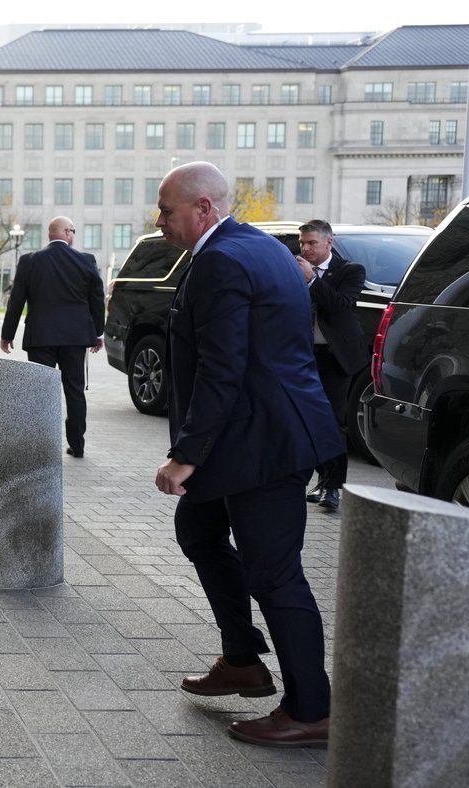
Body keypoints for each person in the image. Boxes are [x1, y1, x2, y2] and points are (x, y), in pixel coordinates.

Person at [152, 162, 343, 748]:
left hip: (264, 443)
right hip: (251, 437)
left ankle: (313, 708)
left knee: (275, 574)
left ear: (203, 208)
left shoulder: (221, 260)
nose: (159, 223)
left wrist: (184, 455)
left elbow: (222, 367)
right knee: (200, 531)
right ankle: (241, 659)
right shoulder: (261, 248)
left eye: (167, 211)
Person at [0, 216, 105, 458]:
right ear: (67, 232)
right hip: (75, 338)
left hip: (41, 336)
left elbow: (16, 301)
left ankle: (41, 445)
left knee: (40, 391)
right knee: (75, 391)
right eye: (73, 231)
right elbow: (97, 300)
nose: (73, 234)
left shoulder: (30, 261)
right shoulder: (85, 260)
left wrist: (8, 334)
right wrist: (98, 333)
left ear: (50, 234)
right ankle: (77, 445)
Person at [295, 219, 366, 513]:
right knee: (305, 419)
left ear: (329, 243)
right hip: (302, 355)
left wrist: (312, 279)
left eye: (312, 243)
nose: (305, 248)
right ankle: (319, 480)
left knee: (333, 421)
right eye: (302, 243)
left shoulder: (350, 271)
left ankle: (333, 487)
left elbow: (340, 305)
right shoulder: (294, 267)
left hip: (335, 358)